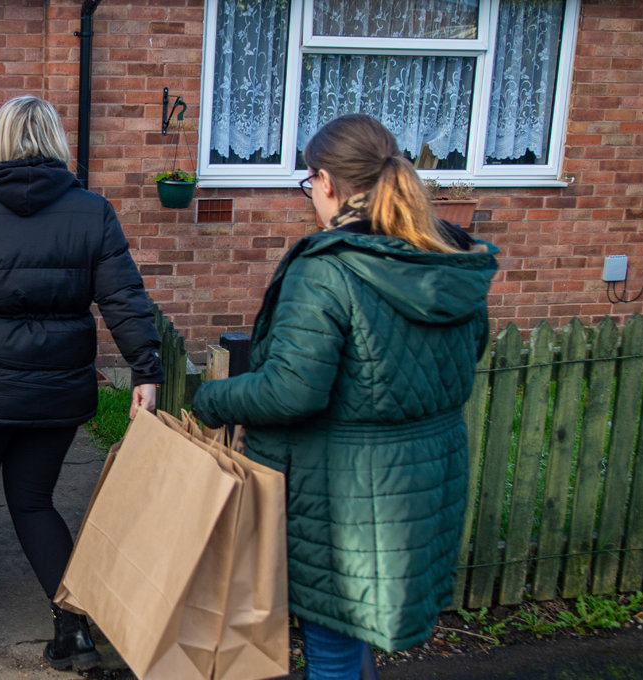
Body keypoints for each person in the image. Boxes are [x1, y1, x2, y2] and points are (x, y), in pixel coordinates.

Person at [191, 113, 499, 680]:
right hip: (425, 482)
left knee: (331, 646)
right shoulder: (451, 258)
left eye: (309, 183)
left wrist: (213, 398)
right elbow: (469, 352)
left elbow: (292, 390)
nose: (310, 196)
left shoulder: (329, 269)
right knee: (352, 639)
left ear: (327, 181)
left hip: (343, 495)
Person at [0, 95, 164, 672]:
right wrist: (146, 369)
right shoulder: (92, 212)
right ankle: (71, 629)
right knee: (34, 500)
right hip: (58, 388)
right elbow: (124, 297)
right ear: (56, 141)